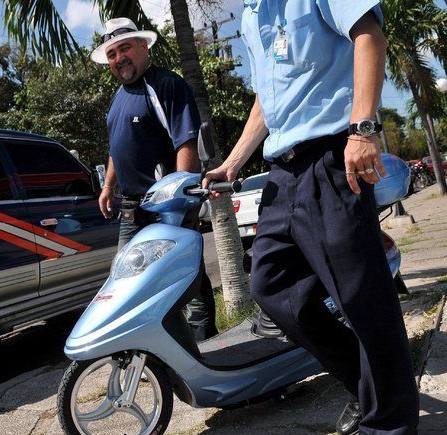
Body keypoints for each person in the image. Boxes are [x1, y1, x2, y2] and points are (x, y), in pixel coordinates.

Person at [203, 2, 419, 434]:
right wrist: (232, 163)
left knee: (362, 297)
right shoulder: (250, 15)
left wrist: (363, 130)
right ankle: (372, 390)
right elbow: (268, 97)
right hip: (283, 172)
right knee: (270, 284)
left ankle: (389, 424)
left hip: (333, 157)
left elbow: (368, 36)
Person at [92, 17, 217, 340]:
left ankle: (206, 339)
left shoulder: (165, 84)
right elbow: (117, 147)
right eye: (112, 54)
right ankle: (150, 345)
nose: (119, 59)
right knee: (126, 279)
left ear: (143, 46)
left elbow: (185, 142)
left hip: (167, 203)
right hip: (132, 208)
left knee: (182, 275)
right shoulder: (118, 99)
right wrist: (108, 185)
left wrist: (179, 196)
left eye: (125, 49)